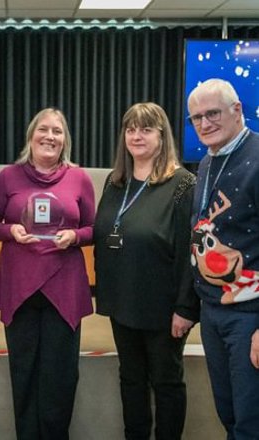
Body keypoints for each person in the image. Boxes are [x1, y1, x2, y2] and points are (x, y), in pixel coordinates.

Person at [94, 102, 199, 440]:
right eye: (130, 129)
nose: (136, 136)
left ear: (162, 135)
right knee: (131, 379)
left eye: (146, 129)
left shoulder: (183, 185)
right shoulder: (115, 182)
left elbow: (189, 254)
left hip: (163, 310)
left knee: (166, 383)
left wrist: (185, 308)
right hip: (122, 303)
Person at [0, 107, 95, 440]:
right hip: (20, 288)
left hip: (64, 289)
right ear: (31, 136)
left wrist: (74, 236)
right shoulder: (8, 177)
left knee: (60, 377)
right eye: (43, 129)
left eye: (57, 131)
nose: (50, 136)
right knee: (23, 372)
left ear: (65, 140)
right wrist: (11, 231)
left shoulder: (79, 178)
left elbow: (94, 228)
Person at [187, 78, 259, 439]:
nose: (204, 123)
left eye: (212, 113)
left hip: (250, 314)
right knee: (228, 413)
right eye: (196, 118)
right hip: (213, 309)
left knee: (250, 420)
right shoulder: (207, 162)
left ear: (237, 110)